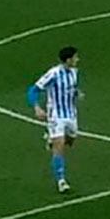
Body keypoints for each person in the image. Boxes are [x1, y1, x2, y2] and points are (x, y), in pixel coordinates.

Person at [27, 46, 81, 194]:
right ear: (68, 59)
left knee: (71, 140)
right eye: (75, 57)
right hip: (56, 115)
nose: (77, 60)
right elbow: (33, 90)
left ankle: (51, 139)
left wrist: (77, 93)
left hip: (71, 114)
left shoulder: (75, 73)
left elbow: (74, 87)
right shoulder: (53, 73)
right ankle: (61, 181)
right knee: (60, 147)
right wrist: (37, 107)